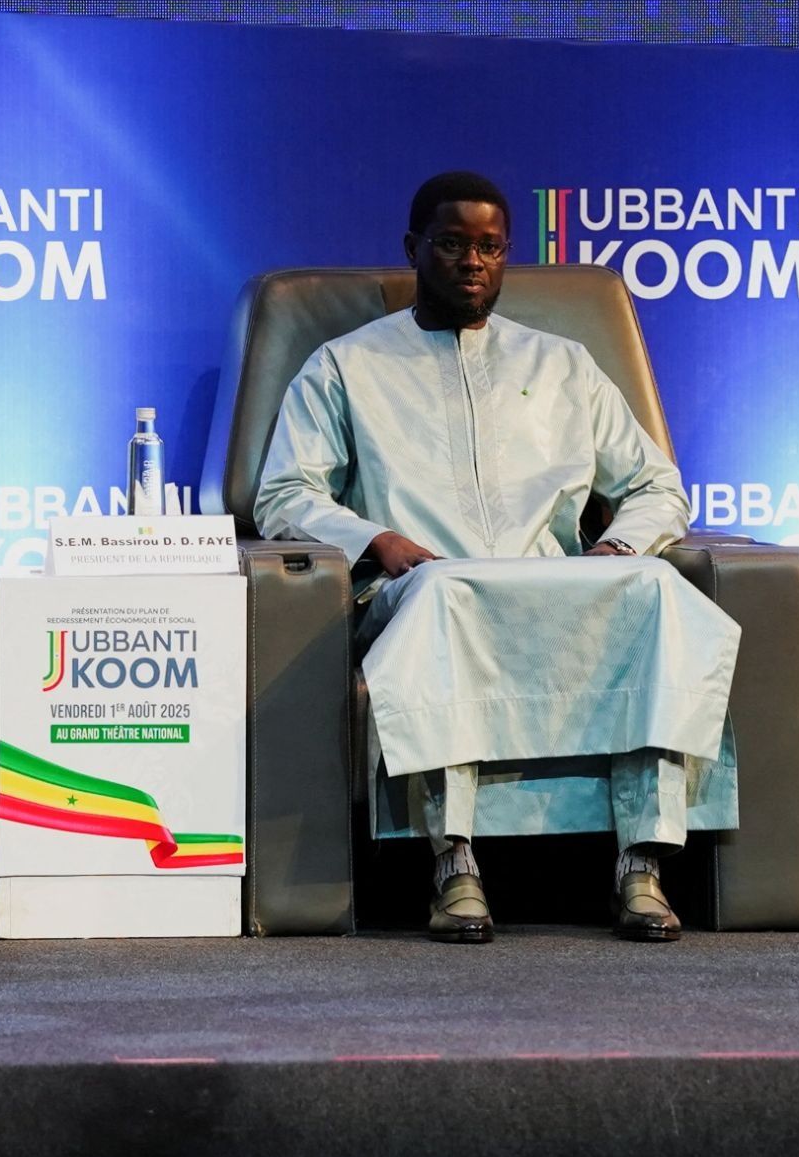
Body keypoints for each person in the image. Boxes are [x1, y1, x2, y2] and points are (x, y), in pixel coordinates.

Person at [254, 171, 740, 944]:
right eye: (452, 244)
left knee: (654, 590)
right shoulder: (347, 365)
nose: (473, 262)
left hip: (556, 590)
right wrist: (377, 540)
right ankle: (454, 862)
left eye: (490, 247)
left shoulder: (564, 364)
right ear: (414, 248)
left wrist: (617, 546)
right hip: (423, 585)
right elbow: (285, 492)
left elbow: (657, 485)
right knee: (445, 596)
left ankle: (642, 862)